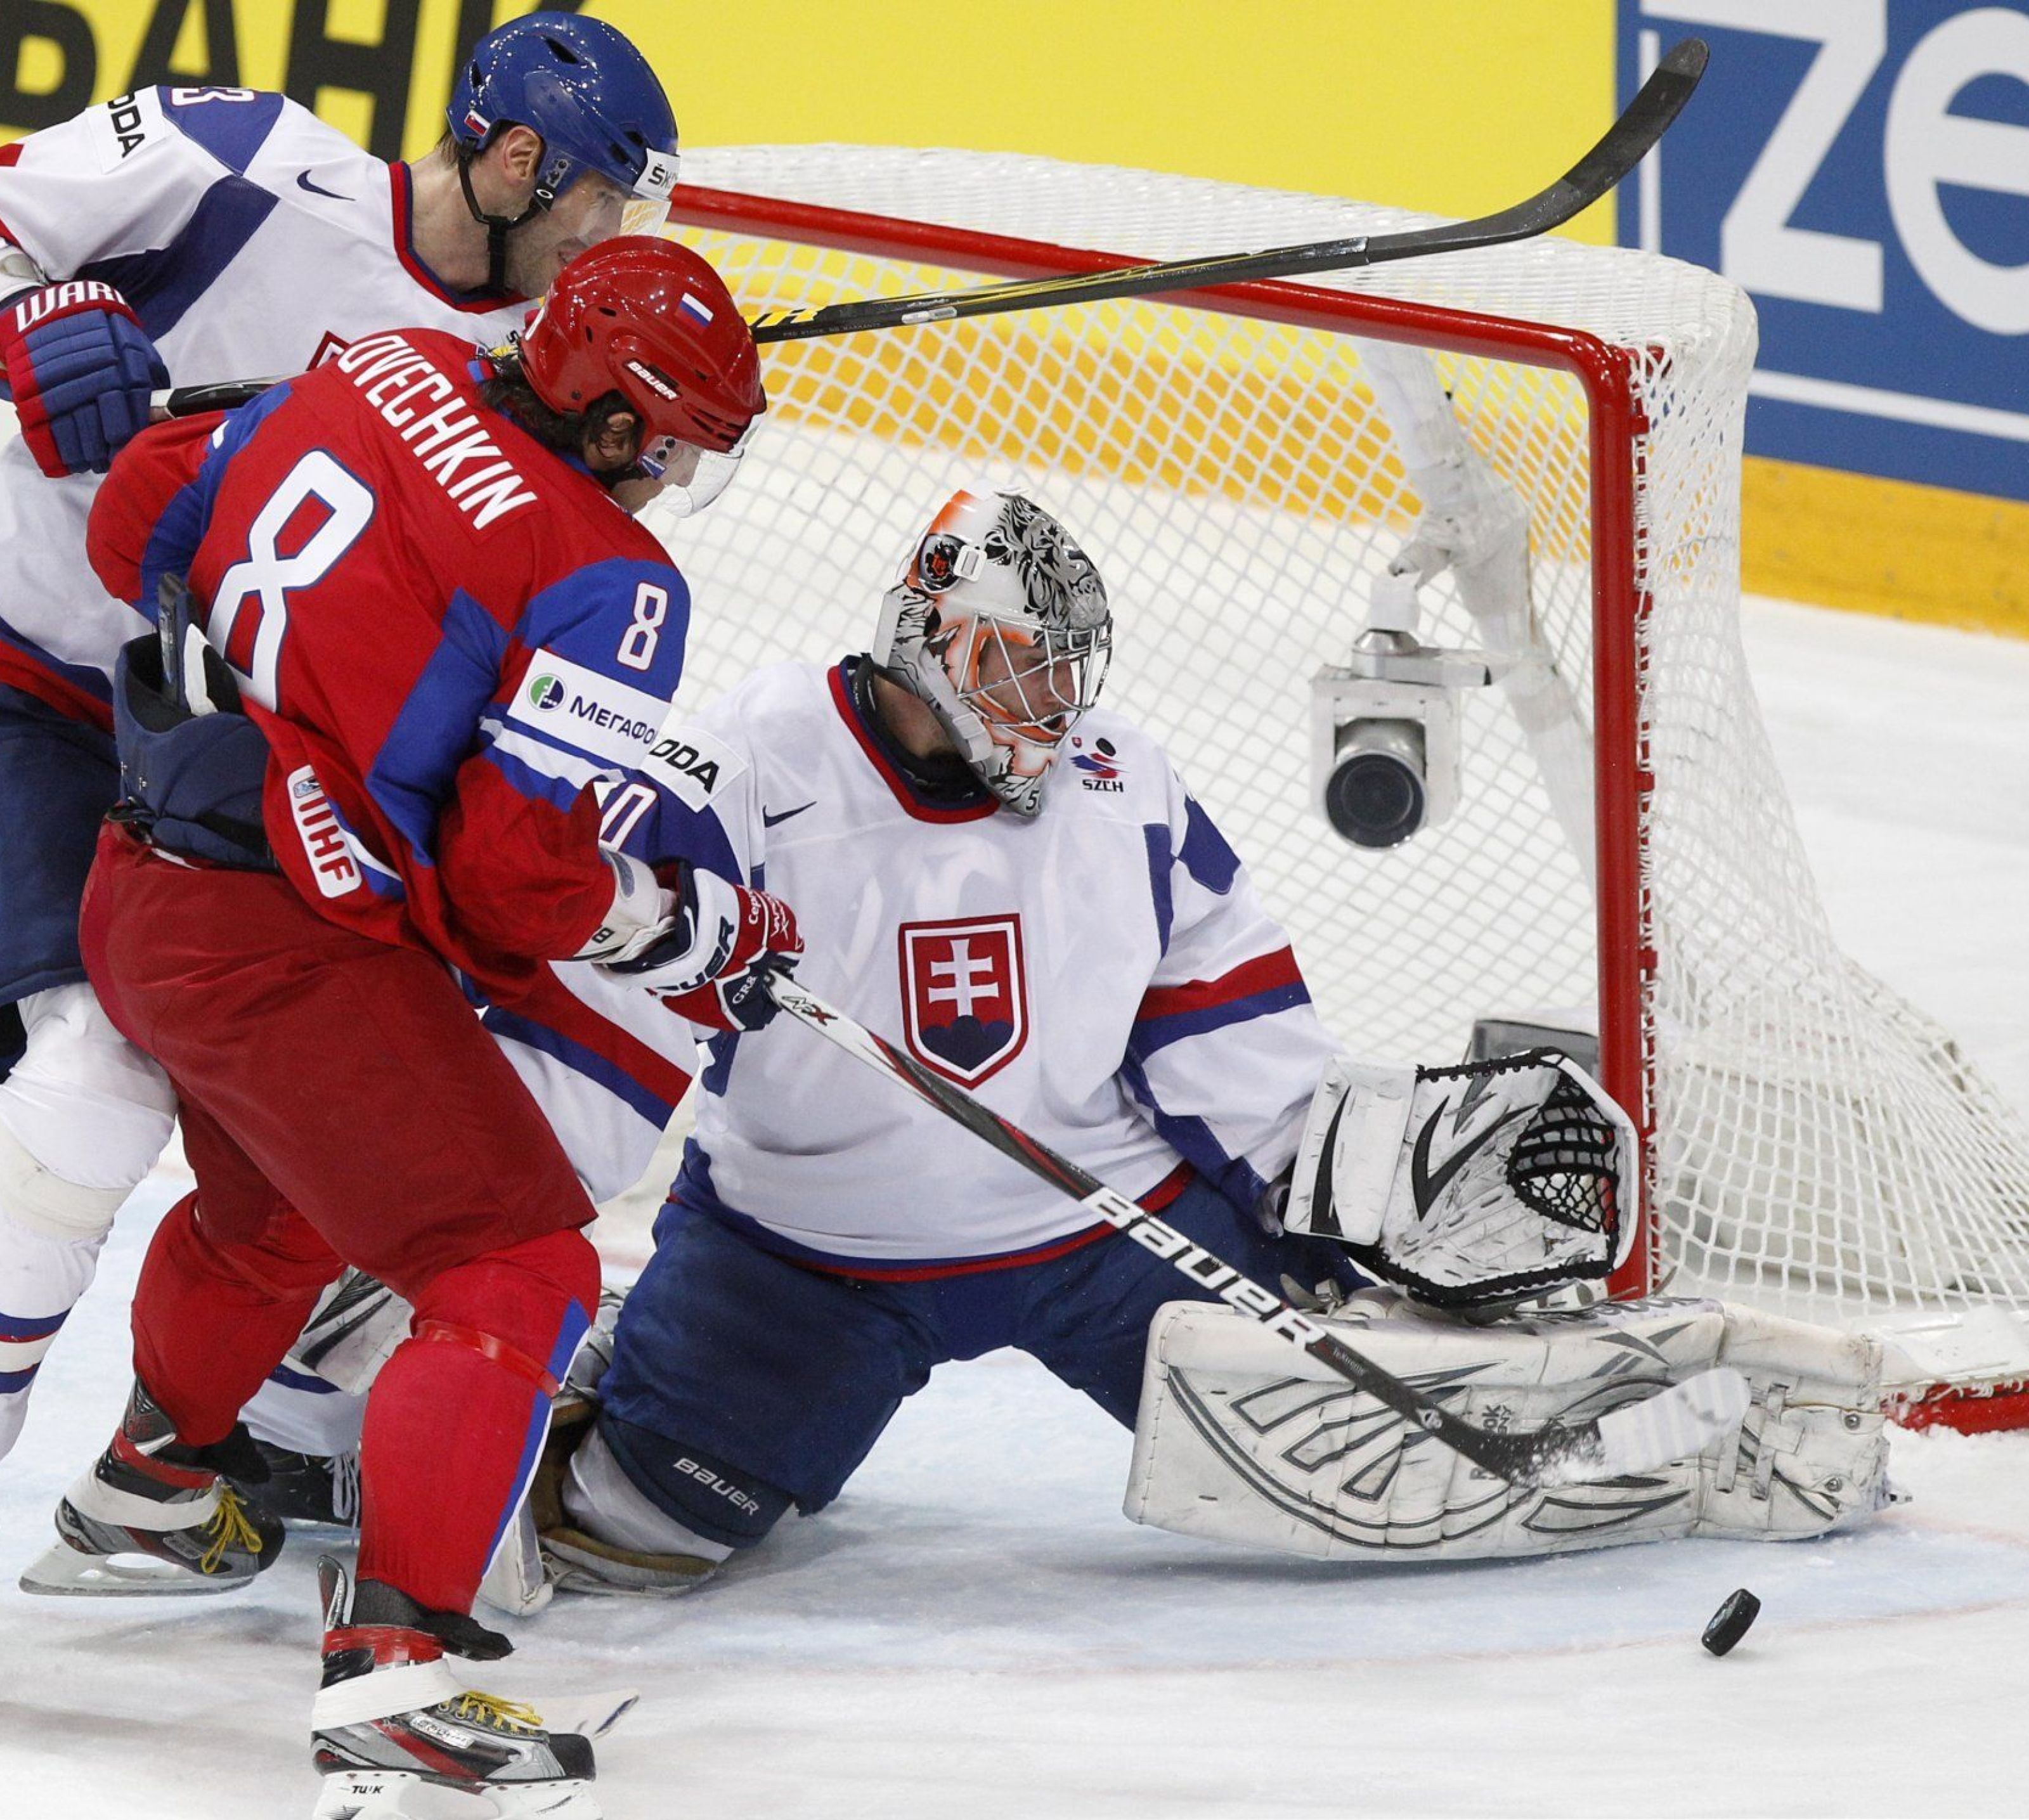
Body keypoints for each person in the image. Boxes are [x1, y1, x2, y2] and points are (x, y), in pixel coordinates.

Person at [19, 236, 795, 1819]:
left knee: (272, 1218)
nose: (670, 489)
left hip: (144, 874)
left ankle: (149, 1491)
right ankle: (398, 1678)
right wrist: (663, 921)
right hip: (282, 949)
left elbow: (130, 527)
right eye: (674, 453)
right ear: (623, 428)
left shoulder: (382, 361)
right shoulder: (614, 578)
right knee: (517, 1265)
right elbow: (515, 888)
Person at [448, 486, 1363, 1596]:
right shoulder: (744, 766)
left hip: (1112, 1228)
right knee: (642, 1526)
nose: (1052, 705)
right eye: (1017, 667)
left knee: (1334, 1452)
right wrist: (471, 1236)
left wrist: (1323, 1205)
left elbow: (1222, 1007)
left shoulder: (1123, 778)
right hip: (814, 1253)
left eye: (1067, 671)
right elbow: (601, 1028)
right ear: (925, 637)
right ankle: (613, 1361)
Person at [0, 9, 680, 1461]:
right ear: (509, 158)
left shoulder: (518, 361)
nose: (602, 240)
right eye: (595, 204)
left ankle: (156, 1458)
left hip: (195, 734)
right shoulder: (232, 148)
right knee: (88, 1077)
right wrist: (29, 311)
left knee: (120, 1076)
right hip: (23, 660)